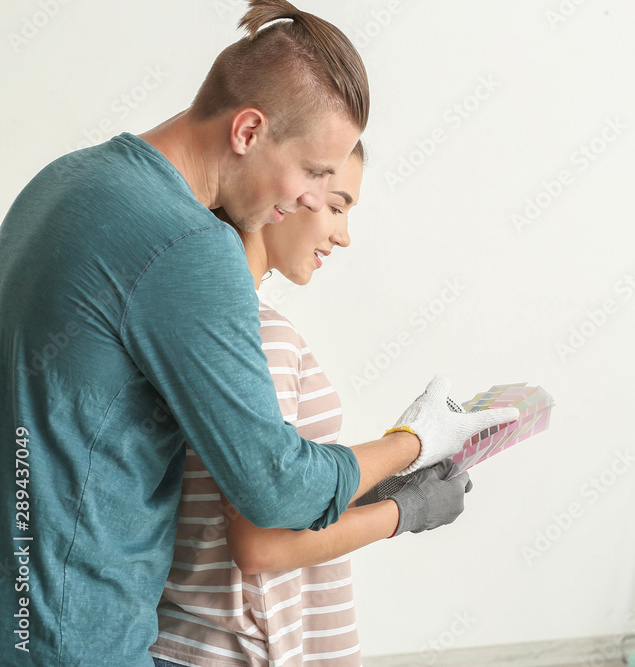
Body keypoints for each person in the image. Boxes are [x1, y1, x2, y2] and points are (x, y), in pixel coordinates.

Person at [0, 2, 516, 665]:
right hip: (77, 645)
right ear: (248, 129)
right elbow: (274, 489)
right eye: (314, 174)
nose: (310, 201)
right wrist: (417, 443)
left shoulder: (61, 182)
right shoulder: (189, 244)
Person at [150, 143, 471, 667]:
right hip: (233, 651)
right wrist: (405, 511)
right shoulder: (259, 336)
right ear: (289, 188)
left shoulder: (208, 321)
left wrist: (381, 482)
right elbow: (262, 547)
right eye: (338, 205)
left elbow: (264, 493)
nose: (343, 235)